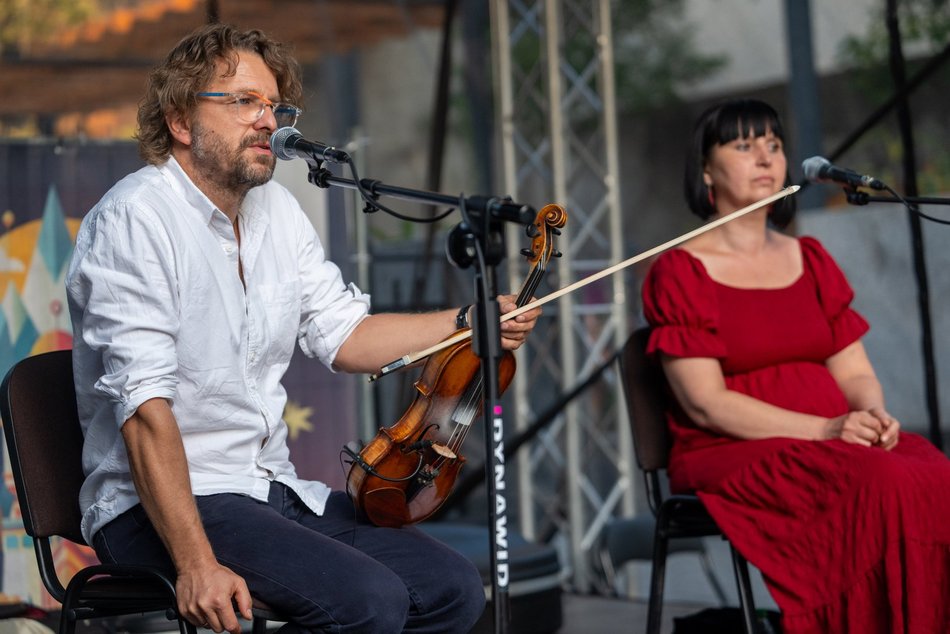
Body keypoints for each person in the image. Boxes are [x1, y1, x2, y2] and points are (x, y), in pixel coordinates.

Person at [65, 23, 540, 634]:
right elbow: (145, 409)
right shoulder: (135, 220)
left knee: (450, 589)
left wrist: (471, 321)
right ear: (181, 122)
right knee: (367, 601)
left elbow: (346, 336)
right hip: (156, 509)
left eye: (274, 105)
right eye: (242, 102)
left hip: (267, 490)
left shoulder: (278, 212)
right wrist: (195, 564)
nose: (269, 121)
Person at [640, 98, 950, 633]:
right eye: (743, 145)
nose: (765, 157)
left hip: (837, 440)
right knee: (881, 483)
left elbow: (853, 372)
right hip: (731, 447)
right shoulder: (680, 270)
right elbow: (706, 404)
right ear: (707, 170)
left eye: (774, 145)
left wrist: (873, 415)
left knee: (934, 474)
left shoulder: (810, 259)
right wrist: (827, 428)